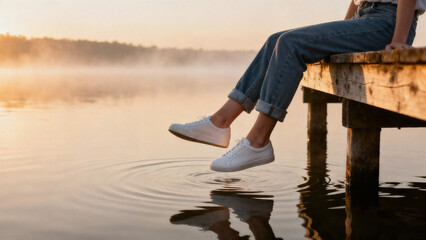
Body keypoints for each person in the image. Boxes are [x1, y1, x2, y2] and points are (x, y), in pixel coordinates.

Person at [169, 0, 424, 172]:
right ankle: (219, 122)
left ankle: (258, 142)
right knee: (276, 40)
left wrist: (400, 40)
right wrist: (339, 35)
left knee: (291, 44)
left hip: (387, 22)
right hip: (365, 18)